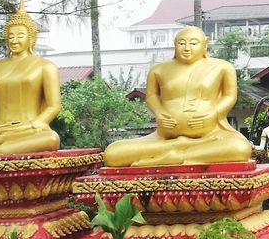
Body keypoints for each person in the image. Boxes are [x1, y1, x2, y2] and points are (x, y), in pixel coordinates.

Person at [104, 27, 251, 166]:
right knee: (112, 153)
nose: (187, 48)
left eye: (193, 43)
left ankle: (176, 156)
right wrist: (159, 112)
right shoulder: (158, 69)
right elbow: (151, 97)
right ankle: (181, 146)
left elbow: (229, 96)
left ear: (205, 44)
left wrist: (213, 113)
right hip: (164, 138)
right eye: (181, 43)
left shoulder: (222, 67)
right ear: (175, 45)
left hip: (211, 134)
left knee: (239, 148)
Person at [0, 0, 61, 155]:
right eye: (10, 36)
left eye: (20, 35)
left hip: (28, 131)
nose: (14, 40)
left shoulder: (45, 66)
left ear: (31, 37)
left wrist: (34, 125)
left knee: (51, 139)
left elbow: (53, 106)